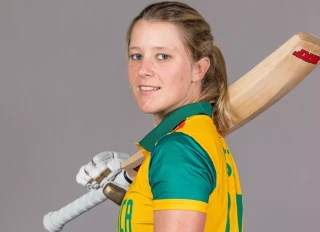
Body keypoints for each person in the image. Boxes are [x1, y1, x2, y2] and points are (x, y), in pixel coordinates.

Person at [77, 1, 244, 231]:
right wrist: (144, 185)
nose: (143, 69)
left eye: (163, 56)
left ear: (199, 69)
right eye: (136, 56)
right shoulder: (200, 136)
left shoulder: (178, 150)